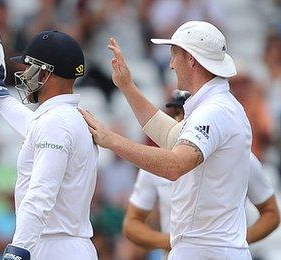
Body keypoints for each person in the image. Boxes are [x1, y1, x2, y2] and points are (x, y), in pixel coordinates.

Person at [79, 21, 253, 259]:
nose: (171, 64)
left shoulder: (215, 111)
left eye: (174, 55)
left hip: (206, 251)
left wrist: (112, 141)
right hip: (208, 249)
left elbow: (174, 165)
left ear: (191, 59)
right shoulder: (215, 106)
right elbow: (172, 137)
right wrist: (127, 86)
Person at [0, 30, 98, 259]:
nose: (25, 74)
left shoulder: (56, 122)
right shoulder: (65, 118)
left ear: (45, 73)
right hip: (61, 245)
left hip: (53, 247)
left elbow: (41, 194)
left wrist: (17, 250)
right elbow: (32, 127)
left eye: (29, 67)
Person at [123, 91, 280, 255]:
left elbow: (271, 213)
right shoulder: (157, 161)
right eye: (177, 113)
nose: (180, 120)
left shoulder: (241, 156)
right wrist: (174, 241)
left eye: (188, 114)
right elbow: (132, 223)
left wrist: (228, 243)